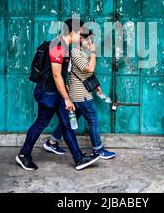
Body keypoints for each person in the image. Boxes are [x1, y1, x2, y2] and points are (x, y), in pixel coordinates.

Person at [16, 19, 100, 171]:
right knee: (41, 123)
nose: (81, 36)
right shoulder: (57, 45)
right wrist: (67, 98)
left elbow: (60, 74)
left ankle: (79, 159)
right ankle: (23, 155)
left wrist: (65, 91)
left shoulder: (65, 46)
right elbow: (56, 75)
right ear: (73, 32)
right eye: (79, 33)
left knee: (66, 125)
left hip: (57, 93)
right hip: (48, 93)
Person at [43, 28, 116, 160]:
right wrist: (93, 52)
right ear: (81, 39)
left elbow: (86, 73)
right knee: (93, 119)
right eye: (88, 39)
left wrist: (96, 84)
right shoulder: (76, 52)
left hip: (81, 92)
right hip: (80, 94)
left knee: (70, 120)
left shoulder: (81, 52)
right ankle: (98, 150)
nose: (90, 42)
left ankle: (52, 141)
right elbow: (89, 68)